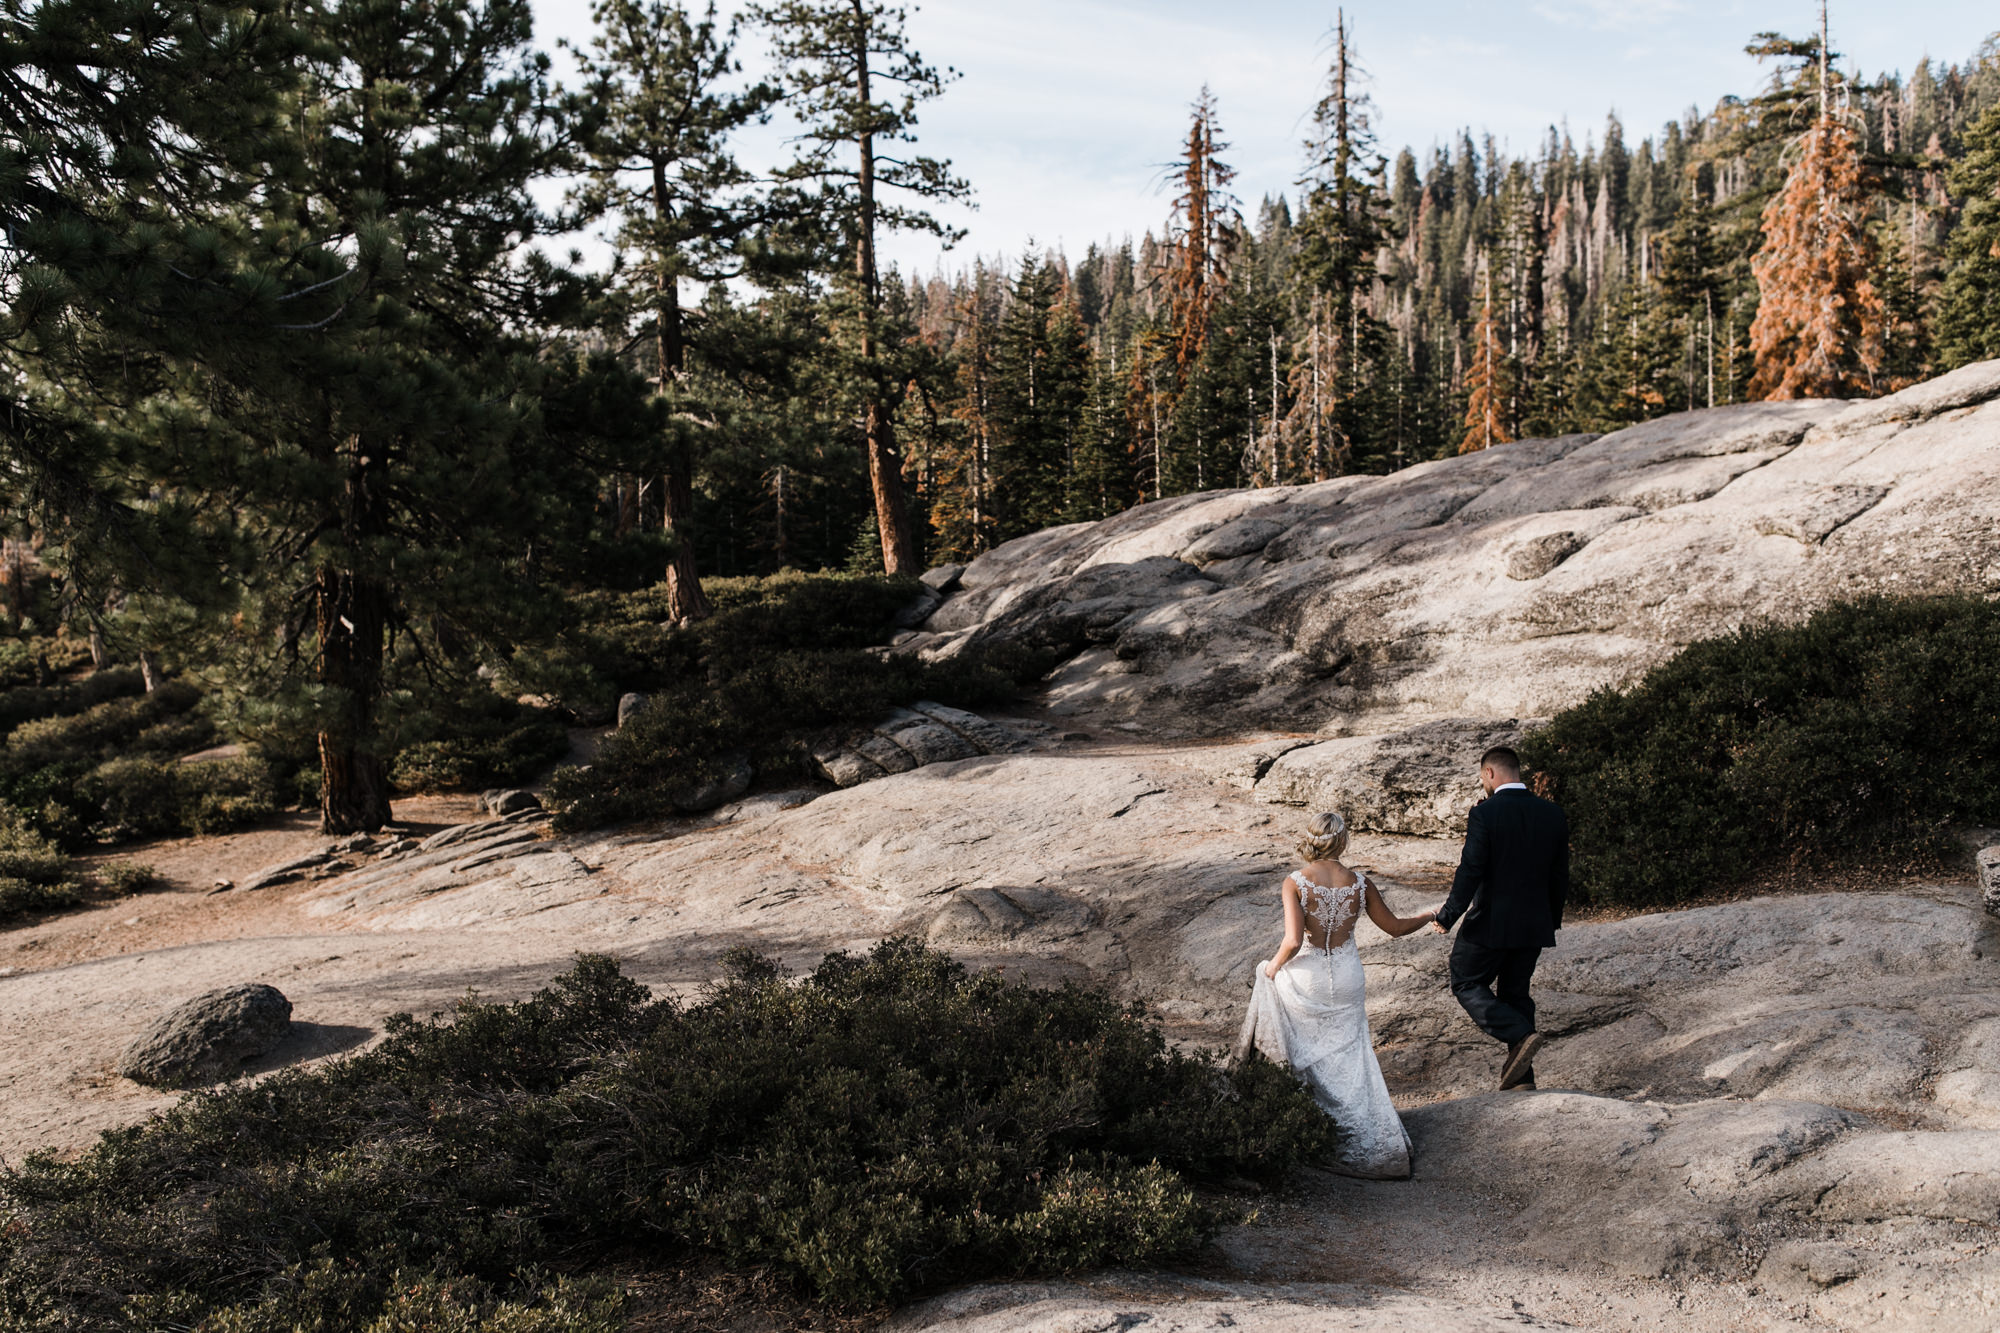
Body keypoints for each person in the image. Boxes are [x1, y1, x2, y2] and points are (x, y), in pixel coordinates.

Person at [1233, 810, 1437, 1179]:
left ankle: (1312, 1126)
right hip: (1347, 975)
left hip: (1310, 975)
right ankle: (1371, 1137)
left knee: (1305, 1046)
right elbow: (1393, 927)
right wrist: (1426, 915)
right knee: (1351, 1055)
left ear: (1312, 840)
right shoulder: (1360, 883)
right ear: (1342, 841)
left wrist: (1272, 968)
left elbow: (1294, 941)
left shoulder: (1296, 882)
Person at [1429, 745, 1570, 1092]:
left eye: (1482, 777)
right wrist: (1550, 919)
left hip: (1491, 922)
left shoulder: (1485, 814)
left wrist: (1448, 915)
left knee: (1465, 981)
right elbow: (1559, 875)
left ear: (1489, 773)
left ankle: (1520, 1033)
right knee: (1516, 994)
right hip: (1534, 923)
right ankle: (1521, 1079)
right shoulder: (1552, 813)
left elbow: (1471, 870)